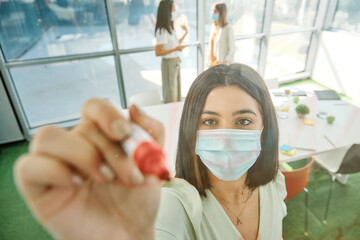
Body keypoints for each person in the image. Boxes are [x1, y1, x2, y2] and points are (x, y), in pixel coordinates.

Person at [14, 64, 287, 240]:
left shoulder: (275, 184)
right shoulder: (174, 205)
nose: (227, 140)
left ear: (265, 128)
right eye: (209, 122)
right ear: (191, 132)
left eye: (243, 121)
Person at [155, 0, 188, 103]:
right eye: (173, 4)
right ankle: (171, 116)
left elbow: (175, 43)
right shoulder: (162, 30)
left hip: (175, 62)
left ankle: (177, 116)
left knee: (177, 92)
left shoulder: (170, 27)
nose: (175, 5)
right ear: (168, 8)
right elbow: (158, 52)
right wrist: (175, 49)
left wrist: (186, 33)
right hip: (169, 64)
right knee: (171, 94)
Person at [208, 2, 235, 67]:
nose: (212, 13)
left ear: (222, 13)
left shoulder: (228, 28)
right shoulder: (213, 27)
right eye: (212, 11)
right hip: (212, 63)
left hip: (221, 65)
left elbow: (231, 49)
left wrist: (225, 63)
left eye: (215, 11)